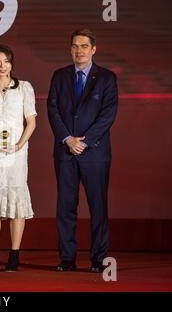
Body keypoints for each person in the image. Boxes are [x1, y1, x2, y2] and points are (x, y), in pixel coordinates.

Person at [47, 29, 118, 273]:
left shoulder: (107, 78)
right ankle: (67, 258)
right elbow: (52, 110)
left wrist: (84, 142)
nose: (79, 50)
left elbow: (108, 114)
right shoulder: (60, 76)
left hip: (95, 153)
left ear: (93, 49)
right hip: (66, 152)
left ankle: (98, 259)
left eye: (84, 46)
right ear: (70, 49)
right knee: (65, 207)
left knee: (98, 207)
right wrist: (68, 139)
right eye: (75, 46)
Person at [0, 45, 37, 272]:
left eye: (6, 61)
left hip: (16, 155)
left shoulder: (24, 88)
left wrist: (19, 145)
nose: (2, 66)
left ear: (12, 64)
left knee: (16, 199)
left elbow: (31, 122)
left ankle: (14, 255)